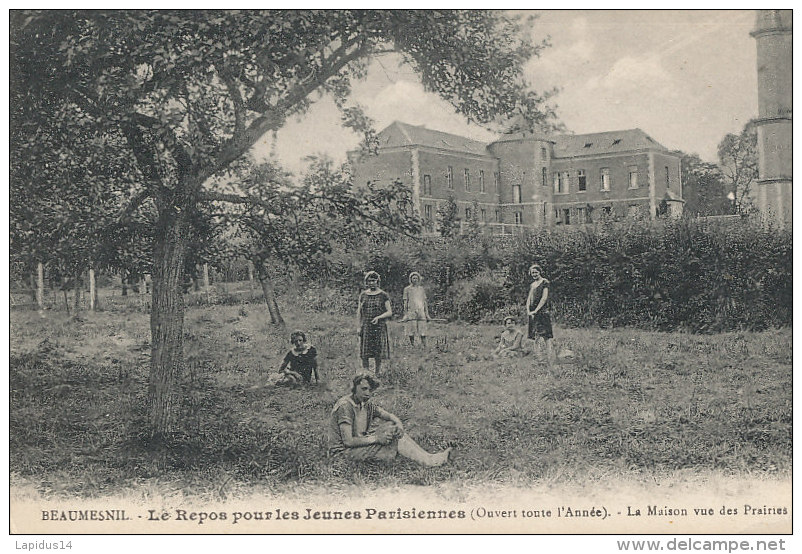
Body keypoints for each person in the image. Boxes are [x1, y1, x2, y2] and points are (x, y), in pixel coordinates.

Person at [328, 374, 456, 466]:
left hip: (357, 446)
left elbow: (389, 416)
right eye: (364, 389)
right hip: (342, 454)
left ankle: (429, 458)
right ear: (354, 388)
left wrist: (399, 425)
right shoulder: (345, 406)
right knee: (392, 438)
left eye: (370, 390)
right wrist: (377, 439)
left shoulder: (366, 404)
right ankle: (430, 461)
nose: (367, 393)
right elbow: (348, 441)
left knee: (392, 428)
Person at [357, 271, 392, 374]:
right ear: (366, 282)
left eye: (373, 280)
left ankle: (377, 372)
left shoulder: (383, 295)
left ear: (377, 281)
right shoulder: (363, 295)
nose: (371, 283)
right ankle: (366, 373)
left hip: (379, 326)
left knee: (378, 351)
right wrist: (359, 326)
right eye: (369, 281)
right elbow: (359, 312)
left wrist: (379, 317)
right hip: (366, 326)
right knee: (365, 352)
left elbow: (389, 312)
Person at [526, 263, 555, 368]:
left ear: (540, 272)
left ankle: (550, 359)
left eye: (536, 272)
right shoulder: (532, 285)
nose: (534, 274)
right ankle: (539, 359)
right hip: (533, 314)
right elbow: (529, 298)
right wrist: (529, 310)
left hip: (543, 313)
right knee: (535, 337)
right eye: (532, 272)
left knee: (547, 337)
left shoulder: (545, 282)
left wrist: (536, 310)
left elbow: (544, 298)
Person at [402, 271, 431, 347]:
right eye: (413, 278)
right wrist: (405, 314)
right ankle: (412, 345)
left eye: (416, 278)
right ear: (410, 279)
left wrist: (427, 314)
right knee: (411, 329)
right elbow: (405, 302)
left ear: (418, 279)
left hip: (421, 311)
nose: (415, 280)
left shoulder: (421, 289)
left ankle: (424, 345)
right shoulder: (407, 289)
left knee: (422, 328)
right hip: (411, 311)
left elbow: (424, 302)